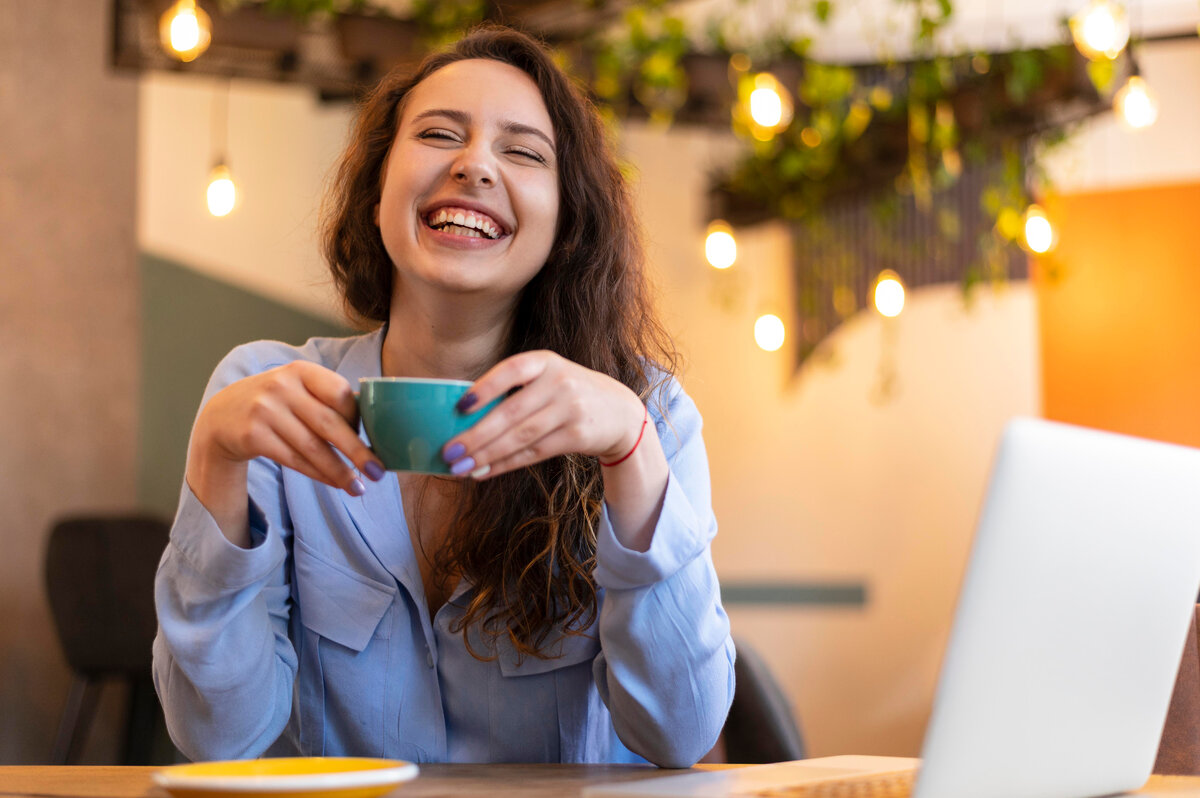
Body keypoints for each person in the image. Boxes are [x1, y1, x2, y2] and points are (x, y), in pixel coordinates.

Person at [152, 25, 734, 768]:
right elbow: (216, 737)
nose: (474, 165)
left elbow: (680, 736)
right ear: (377, 193)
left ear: (565, 222)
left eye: (524, 152)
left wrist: (631, 451)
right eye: (438, 134)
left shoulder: (647, 415)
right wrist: (213, 457)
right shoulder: (266, 401)